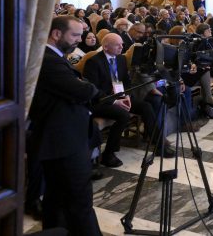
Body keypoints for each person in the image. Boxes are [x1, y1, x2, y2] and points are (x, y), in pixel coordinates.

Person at [28, 16, 102, 235]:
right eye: (75, 35)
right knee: (80, 202)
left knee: (56, 199)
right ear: (56, 34)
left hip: (62, 137)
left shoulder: (54, 57)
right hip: (63, 141)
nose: (79, 40)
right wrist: (86, 86)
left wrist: (82, 86)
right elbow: (83, 90)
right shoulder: (49, 59)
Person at [84, 33, 173, 165]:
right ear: (106, 47)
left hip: (120, 96)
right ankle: (108, 154)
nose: (121, 47)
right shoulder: (93, 62)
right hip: (101, 101)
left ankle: (159, 145)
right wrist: (115, 101)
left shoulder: (121, 59)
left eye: (122, 44)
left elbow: (126, 81)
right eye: (117, 45)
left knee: (146, 106)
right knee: (123, 115)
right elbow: (94, 89)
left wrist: (127, 96)